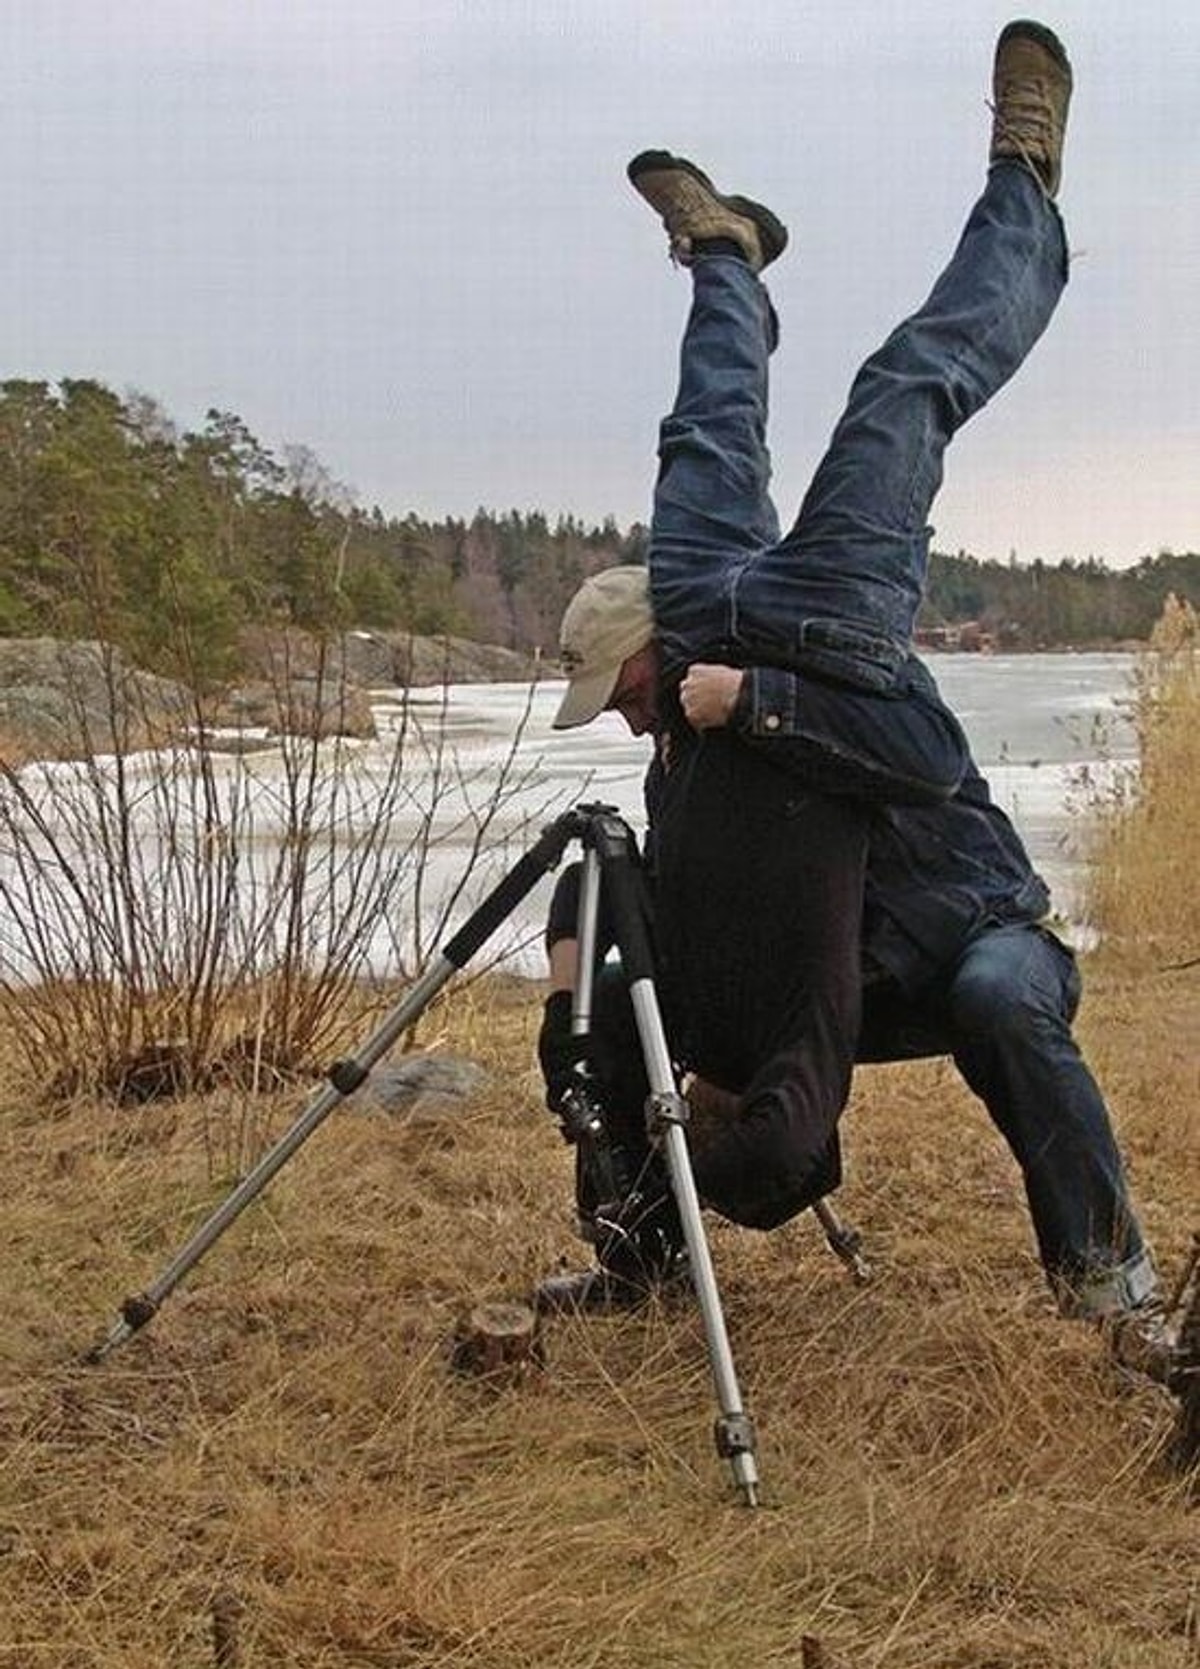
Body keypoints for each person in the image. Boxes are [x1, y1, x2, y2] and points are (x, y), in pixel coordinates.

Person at [534, 22, 1189, 1391]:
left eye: (628, 686)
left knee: (900, 393)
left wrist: (760, 699)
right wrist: (586, 956)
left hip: (947, 922)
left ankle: (1024, 182)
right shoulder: (679, 723)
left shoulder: (718, 672)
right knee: (707, 435)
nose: (629, 715)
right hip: (833, 981)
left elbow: (928, 756)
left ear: (653, 640)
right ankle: (732, 258)